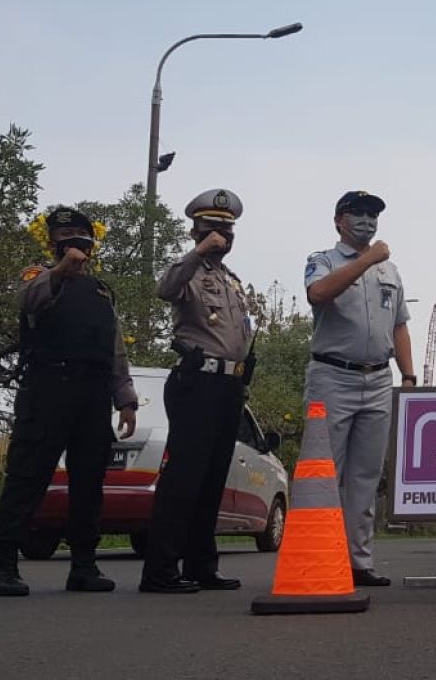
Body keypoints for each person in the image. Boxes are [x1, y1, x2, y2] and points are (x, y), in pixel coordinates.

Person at [0, 207, 137, 596]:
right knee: (29, 475)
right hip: (47, 387)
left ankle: (84, 566)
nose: (72, 240)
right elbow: (26, 302)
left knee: (90, 480)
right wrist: (59, 273)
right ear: (53, 242)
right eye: (64, 235)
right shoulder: (38, 276)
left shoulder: (101, 291)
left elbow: (115, 349)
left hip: (93, 395)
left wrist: (126, 399)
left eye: (80, 234)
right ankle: (3, 563)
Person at [140, 189, 252, 594]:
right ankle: (160, 571)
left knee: (211, 479)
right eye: (214, 227)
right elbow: (164, 289)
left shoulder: (231, 281)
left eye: (227, 228)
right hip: (196, 382)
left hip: (228, 384)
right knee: (184, 478)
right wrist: (197, 251)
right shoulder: (188, 273)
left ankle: (201, 564)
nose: (222, 235)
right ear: (197, 230)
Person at [305, 191, 416, 587]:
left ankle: (357, 561)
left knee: (366, 476)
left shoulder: (391, 272)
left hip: (378, 377)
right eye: (359, 214)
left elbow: (400, 324)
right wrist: (366, 259)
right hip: (333, 375)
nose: (367, 221)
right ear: (339, 220)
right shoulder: (323, 260)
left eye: (373, 215)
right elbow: (318, 294)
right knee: (324, 472)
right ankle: (318, 558)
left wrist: (408, 376)